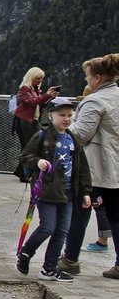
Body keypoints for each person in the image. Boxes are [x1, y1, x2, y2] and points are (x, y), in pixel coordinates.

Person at [16, 97, 91, 282]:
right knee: (48, 227)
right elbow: (25, 156)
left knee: (62, 231)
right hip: (47, 191)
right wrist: (38, 162)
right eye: (61, 115)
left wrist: (85, 191)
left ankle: (49, 268)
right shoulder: (43, 136)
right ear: (51, 115)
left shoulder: (73, 140)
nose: (66, 119)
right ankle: (26, 252)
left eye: (69, 115)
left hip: (68, 193)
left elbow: (82, 168)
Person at [65, 54, 119, 279]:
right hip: (116, 166)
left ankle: (70, 260)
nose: (86, 80)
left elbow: (80, 133)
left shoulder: (95, 100)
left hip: (95, 167)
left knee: (80, 211)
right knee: (116, 215)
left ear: (97, 77)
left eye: (87, 76)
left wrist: (66, 124)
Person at [13, 67, 59, 151]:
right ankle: (25, 163)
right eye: (38, 78)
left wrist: (51, 97)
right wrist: (47, 95)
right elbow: (31, 101)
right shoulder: (24, 89)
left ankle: (27, 163)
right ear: (32, 78)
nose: (40, 80)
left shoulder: (36, 90)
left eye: (41, 78)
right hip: (25, 121)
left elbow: (41, 104)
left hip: (34, 120)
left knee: (35, 144)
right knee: (28, 145)